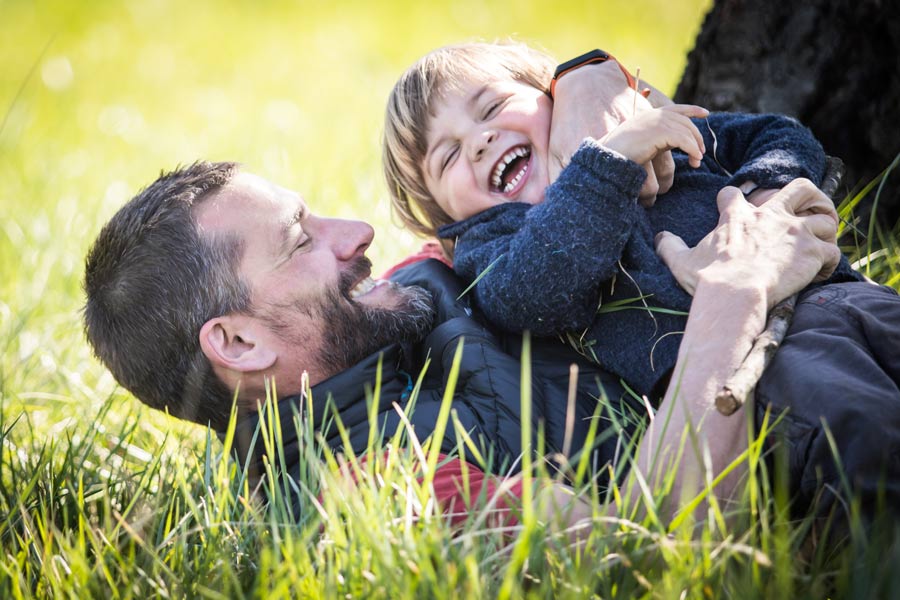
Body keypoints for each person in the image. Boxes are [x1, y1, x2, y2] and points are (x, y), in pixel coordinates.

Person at [82, 156, 898, 530]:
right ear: (239, 342)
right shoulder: (376, 487)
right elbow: (655, 537)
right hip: (821, 411)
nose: (357, 230)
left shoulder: (395, 295)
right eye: (302, 240)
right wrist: (735, 294)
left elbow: (552, 160)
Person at [382, 42, 867, 398]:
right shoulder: (492, 244)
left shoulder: (644, 133)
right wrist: (607, 163)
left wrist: (760, 198)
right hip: (748, 373)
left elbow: (777, 134)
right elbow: (534, 292)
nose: (479, 141)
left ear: (549, 94)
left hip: (840, 293)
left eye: (492, 108)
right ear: (445, 214)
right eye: (448, 158)